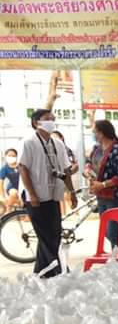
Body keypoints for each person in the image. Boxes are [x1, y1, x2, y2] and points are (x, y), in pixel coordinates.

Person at [18, 109, 77, 277]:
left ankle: (42, 272)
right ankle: (59, 270)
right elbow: (22, 168)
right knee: (45, 235)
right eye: (47, 119)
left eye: (53, 118)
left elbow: (65, 169)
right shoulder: (28, 142)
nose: (51, 121)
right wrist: (32, 194)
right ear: (36, 123)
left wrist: (72, 192)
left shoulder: (58, 144)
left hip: (53, 194)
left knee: (54, 233)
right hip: (35, 196)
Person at [88, 120, 118, 250]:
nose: (93, 135)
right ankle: (117, 253)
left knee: (113, 230)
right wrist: (88, 171)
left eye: (94, 132)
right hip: (101, 195)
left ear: (102, 133)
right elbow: (89, 162)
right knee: (105, 229)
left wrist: (103, 184)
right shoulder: (97, 149)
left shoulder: (117, 149)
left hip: (115, 196)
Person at [1, 148, 21, 213]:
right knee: (13, 193)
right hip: (12, 187)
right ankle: (8, 211)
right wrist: (3, 197)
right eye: (9, 156)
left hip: (23, 186)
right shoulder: (5, 168)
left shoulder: (21, 165)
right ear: (6, 156)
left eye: (13, 156)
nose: (11, 157)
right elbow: (1, 182)